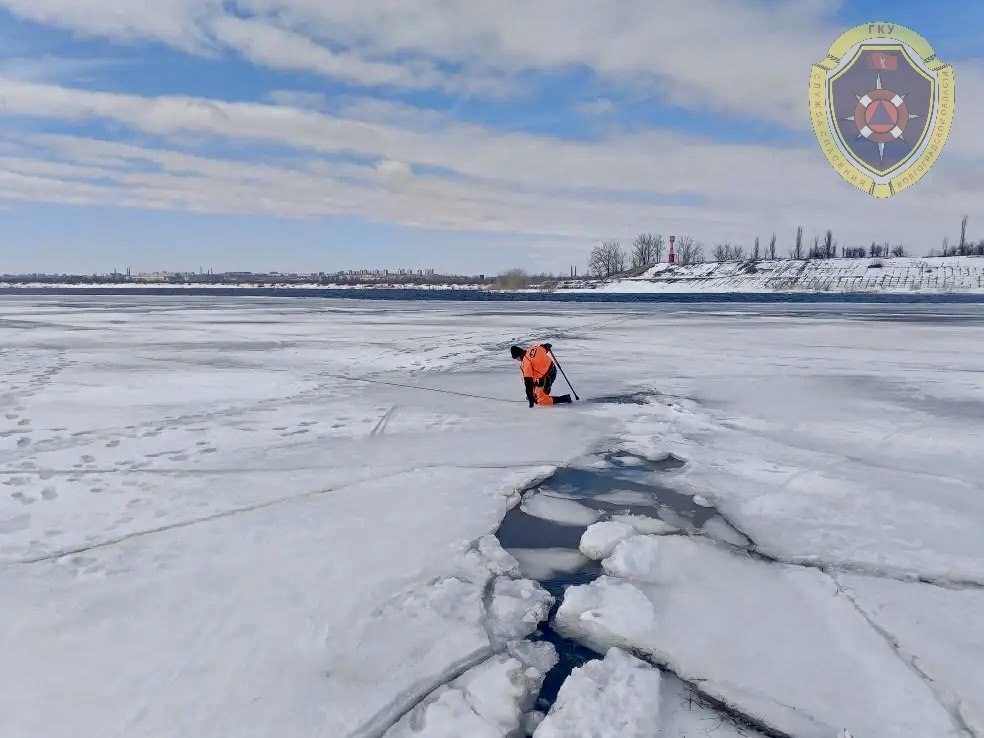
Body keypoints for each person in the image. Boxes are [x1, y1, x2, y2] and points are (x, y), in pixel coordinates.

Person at [510, 343, 572, 407]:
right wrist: (547, 346)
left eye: (516, 358)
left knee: (539, 400)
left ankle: (564, 398)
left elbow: (528, 383)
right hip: (553, 369)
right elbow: (545, 347)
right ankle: (541, 391)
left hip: (547, 377)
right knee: (534, 379)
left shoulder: (526, 364)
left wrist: (531, 398)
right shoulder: (534, 348)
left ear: (518, 356)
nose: (517, 360)